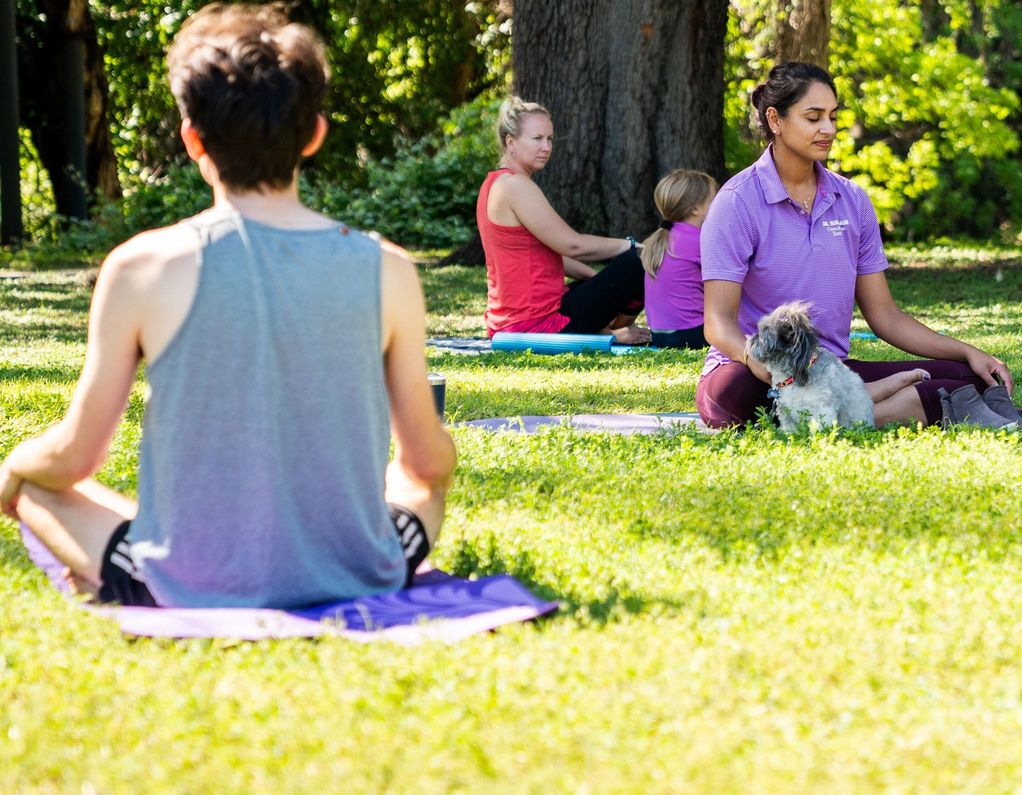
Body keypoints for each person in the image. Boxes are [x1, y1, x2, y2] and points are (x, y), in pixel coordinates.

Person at [0, 4, 456, 608]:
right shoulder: (390, 269)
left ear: (192, 138)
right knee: (419, 490)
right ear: (315, 133)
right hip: (360, 571)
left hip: (180, 584)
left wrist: (15, 464)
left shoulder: (141, 267)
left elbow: (76, 456)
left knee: (39, 489)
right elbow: (426, 464)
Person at [697, 62, 1017, 429]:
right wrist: (761, 365)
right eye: (813, 117)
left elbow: (885, 317)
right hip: (754, 372)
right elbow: (718, 323)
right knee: (731, 396)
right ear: (775, 119)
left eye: (833, 117)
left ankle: (850, 412)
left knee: (972, 376)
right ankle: (887, 408)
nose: (828, 129)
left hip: (828, 371)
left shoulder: (851, 200)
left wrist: (967, 351)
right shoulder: (736, 201)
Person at [477, 96, 650, 344]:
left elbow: (551, 256)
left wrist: (598, 280)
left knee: (615, 275)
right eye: (537, 139)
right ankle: (613, 333)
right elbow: (572, 245)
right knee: (641, 261)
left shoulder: (495, 183)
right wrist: (631, 245)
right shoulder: (515, 186)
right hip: (537, 326)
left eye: (549, 139)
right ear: (510, 142)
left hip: (518, 321)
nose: (546, 147)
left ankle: (607, 328)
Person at [639, 169, 717, 349]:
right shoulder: (699, 240)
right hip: (691, 334)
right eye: (714, 200)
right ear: (696, 209)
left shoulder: (667, 237)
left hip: (659, 336)